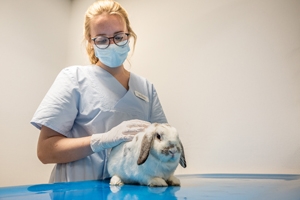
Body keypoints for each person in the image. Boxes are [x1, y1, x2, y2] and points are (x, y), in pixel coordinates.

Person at [30, 0, 167, 183]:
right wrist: (102, 140)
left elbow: (163, 142)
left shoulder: (146, 88)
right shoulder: (74, 78)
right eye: (102, 39)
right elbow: (45, 151)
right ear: (91, 42)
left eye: (118, 36)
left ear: (129, 35)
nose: (112, 44)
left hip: (128, 192)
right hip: (76, 191)